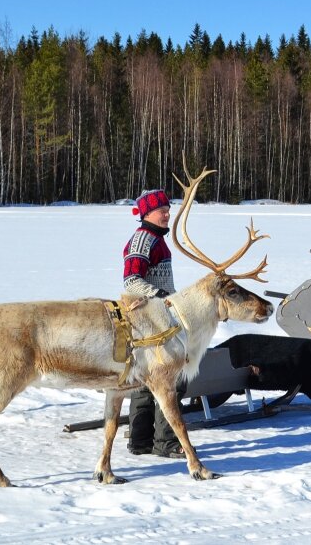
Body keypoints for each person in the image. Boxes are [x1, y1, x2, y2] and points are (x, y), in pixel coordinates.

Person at [122, 189, 185, 458]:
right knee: (167, 379)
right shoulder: (142, 241)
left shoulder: (155, 239)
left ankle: (141, 441)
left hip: (155, 319)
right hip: (151, 322)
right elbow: (131, 280)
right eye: (162, 210)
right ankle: (166, 443)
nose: (167, 214)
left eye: (168, 209)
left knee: (147, 379)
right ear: (147, 213)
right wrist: (162, 298)